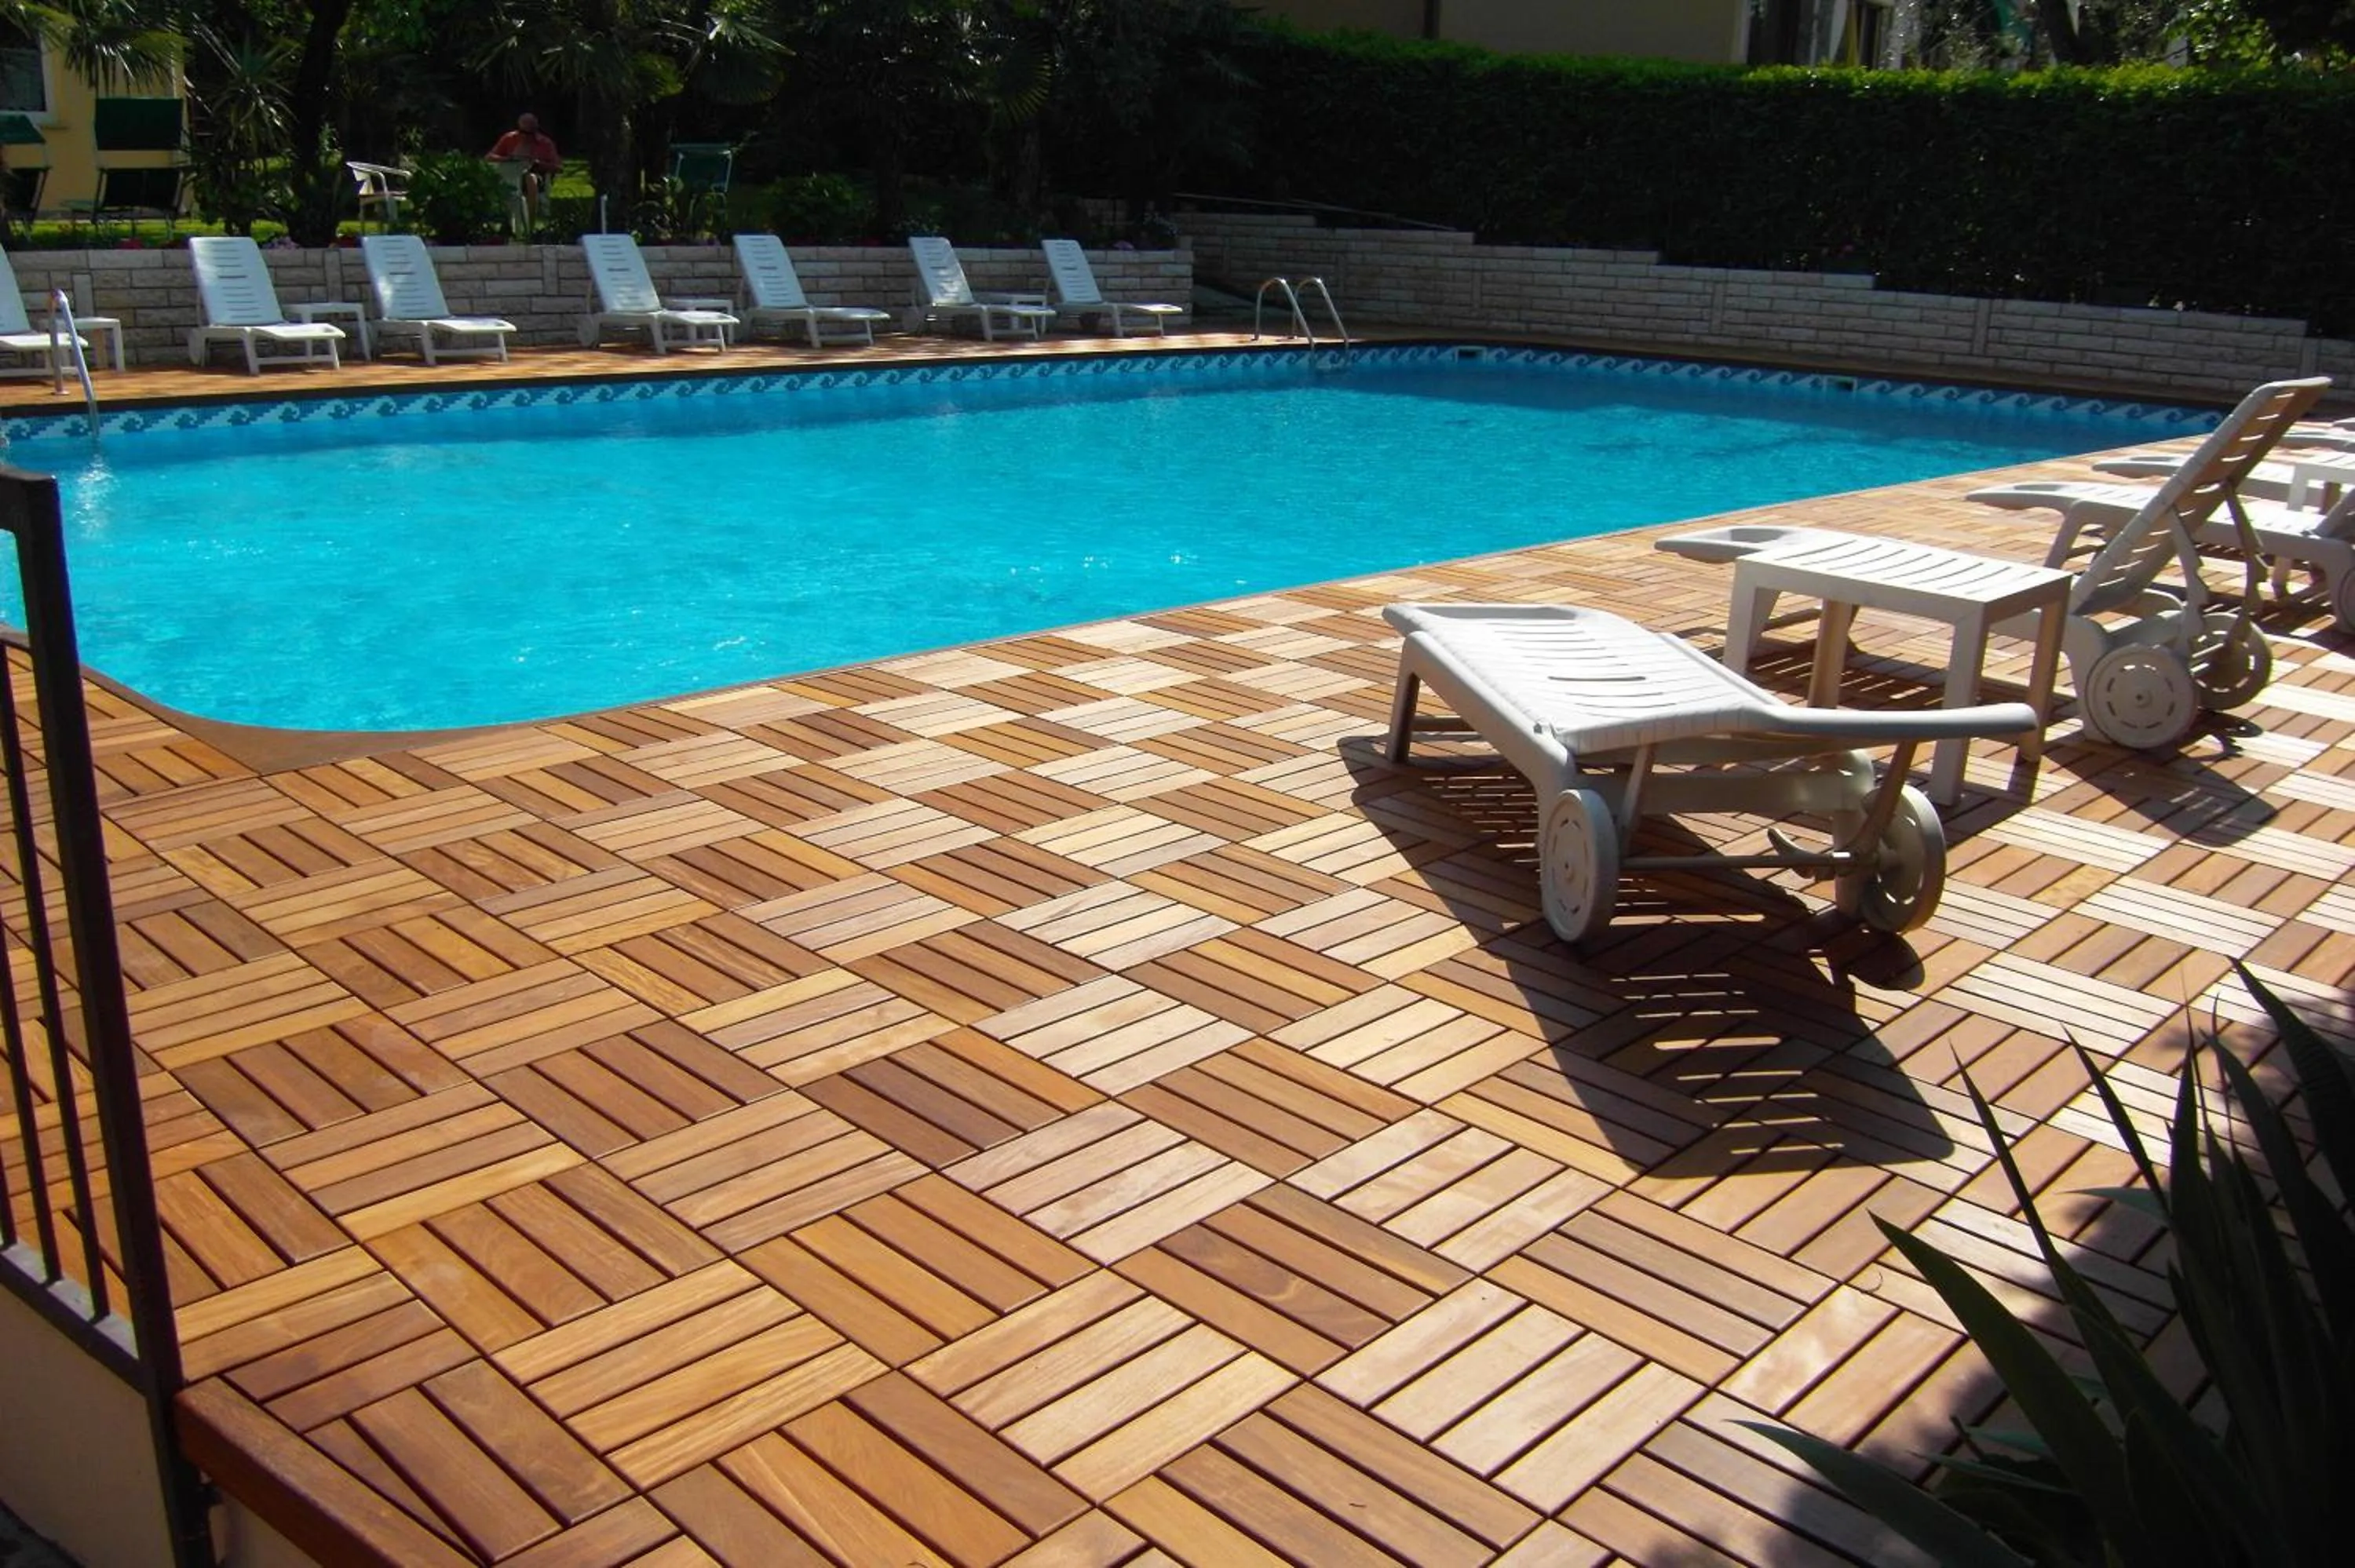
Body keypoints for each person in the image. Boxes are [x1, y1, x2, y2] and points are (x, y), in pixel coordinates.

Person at [486, 113, 560, 234]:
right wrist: (509, 159)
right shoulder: (509, 138)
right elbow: (489, 157)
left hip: (535, 177)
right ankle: (504, 223)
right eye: (523, 132)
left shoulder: (545, 143)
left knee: (531, 179)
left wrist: (537, 164)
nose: (526, 136)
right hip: (511, 177)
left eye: (530, 133)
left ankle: (530, 225)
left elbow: (558, 167)